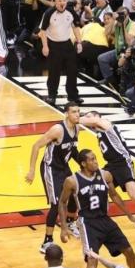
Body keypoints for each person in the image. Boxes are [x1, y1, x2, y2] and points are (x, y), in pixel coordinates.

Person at [59, 149, 135, 268]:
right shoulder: (72, 181)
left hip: (105, 219)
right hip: (87, 223)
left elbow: (114, 195)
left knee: (129, 250)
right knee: (92, 259)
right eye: (91, 159)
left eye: (95, 158)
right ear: (83, 163)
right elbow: (62, 202)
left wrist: (130, 216)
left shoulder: (105, 175)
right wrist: (64, 227)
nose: (96, 162)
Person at [81, 111, 135, 237]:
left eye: (89, 116)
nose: (87, 119)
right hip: (111, 165)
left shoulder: (106, 123)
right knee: (97, 186)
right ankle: (93, 220)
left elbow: (93, 121)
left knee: (132, 192)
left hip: (123, 162)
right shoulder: (98, 129)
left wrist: (76, 118)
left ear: (97, 117)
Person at [24, 102, 83, 251]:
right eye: (74, 112)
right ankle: (47, 241)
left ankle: (69, 222)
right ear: (66, 114)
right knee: (56, 205)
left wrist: (84, 165)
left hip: (63, 167)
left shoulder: (77, 128)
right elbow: (36, 146)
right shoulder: (58, 130)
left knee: (76, 191)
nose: (77, 114)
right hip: (50, 168)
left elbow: (72, 150)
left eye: (78, 111)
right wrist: (31, 170)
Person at [39, 0, 84, 105]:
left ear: (66, 1)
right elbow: (42, 32)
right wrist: (45, 46)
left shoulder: (71, 12)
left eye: (64, 0)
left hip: (67, 44)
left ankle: (73, 96)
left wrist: (79, 42)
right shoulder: (49, 13)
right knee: (54, 72)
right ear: (55, 1)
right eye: (59, 1)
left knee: (72, 71)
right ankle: (52, 95)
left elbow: (76, 28)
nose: (62, 3)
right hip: (53, 44)